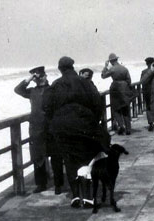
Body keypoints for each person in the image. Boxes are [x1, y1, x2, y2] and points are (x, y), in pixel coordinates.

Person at [43, 57, 108, 208]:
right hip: (84, 125)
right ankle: (88, 196)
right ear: (73, 67)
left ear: (60, 69)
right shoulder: (86, 83)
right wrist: (93, 121)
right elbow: (98, 104)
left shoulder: (56, 84)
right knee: (87, 157)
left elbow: (46, 106)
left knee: (69, 159)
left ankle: (75, 195)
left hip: (62, 128)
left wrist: (56, 121)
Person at [14, 66, 64, 194]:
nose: (41, 78)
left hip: (51, 128)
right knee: (38, 157)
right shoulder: (31, 91)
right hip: (36, 129)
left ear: (46, 76)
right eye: (38, 77)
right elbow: (18, 90)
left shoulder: (53, 90)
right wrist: (30, 78)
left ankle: (58, 184)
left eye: (42, 75)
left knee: (56, 157)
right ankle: (41, 184)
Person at [101, 53, 134, 135]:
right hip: (124, 88)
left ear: (111, 61)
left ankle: (121, 125)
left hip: (115, 88)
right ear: (117, 59)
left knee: (116, 109)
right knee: (125, 109)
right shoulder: (124, 69)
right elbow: (129, 81)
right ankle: (128, 129)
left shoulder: (112, 69)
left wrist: (105, 66)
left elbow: (103, 76)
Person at [140, 57, 154, 131]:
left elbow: (142, 82)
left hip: (147, 92)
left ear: (146, 63)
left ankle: (150, 123)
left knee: (148, 107)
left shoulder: (144, 72)